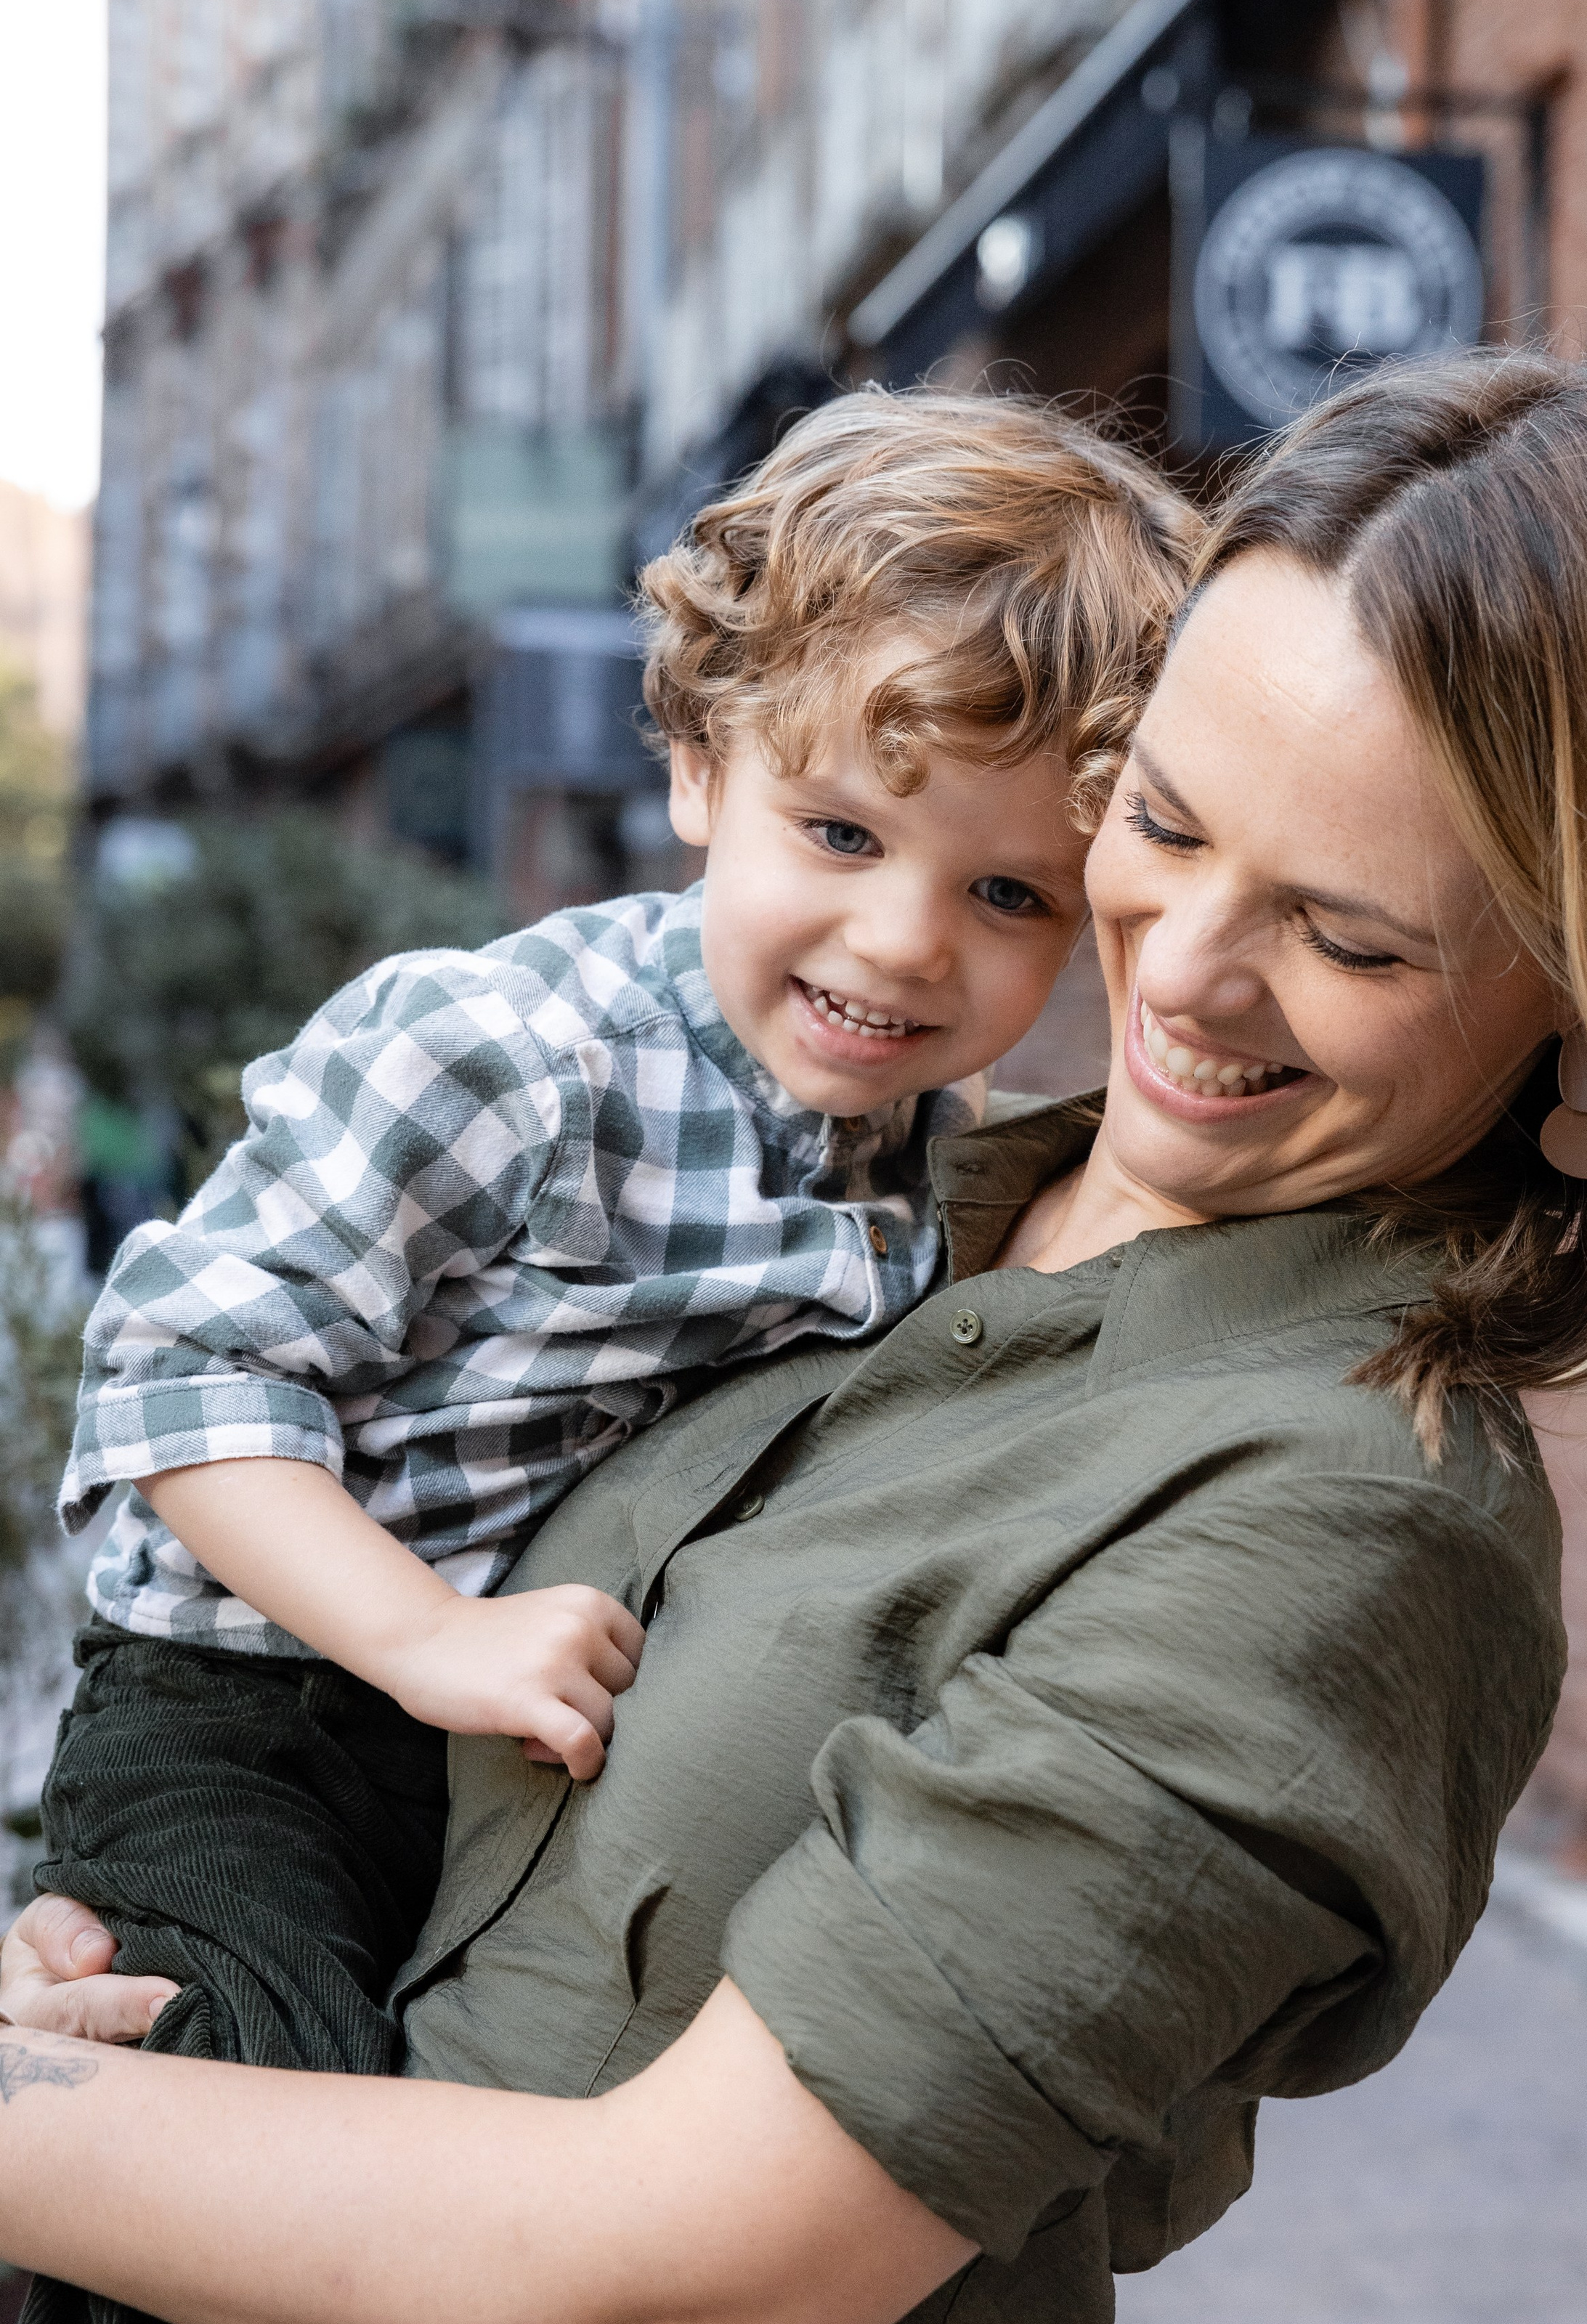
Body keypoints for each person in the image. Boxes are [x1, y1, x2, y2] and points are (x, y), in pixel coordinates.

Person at [8, 348, 1587, 2324]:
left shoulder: (1349, 1527)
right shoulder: (875, 1193)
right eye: (1158, 822)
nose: (1190, 969)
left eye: (1348, 935)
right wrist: (118, 2026)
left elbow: (686, 2260)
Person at [27, 384, 1200, 2115]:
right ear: (699, 762)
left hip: (505, 1760)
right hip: (254, 1706)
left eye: (1007, 894)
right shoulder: (507, 1052)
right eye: (843, 832)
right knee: (247, 2093)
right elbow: (179, 1373)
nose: (902, 940)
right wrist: (424, 1633)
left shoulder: (929, 1165)